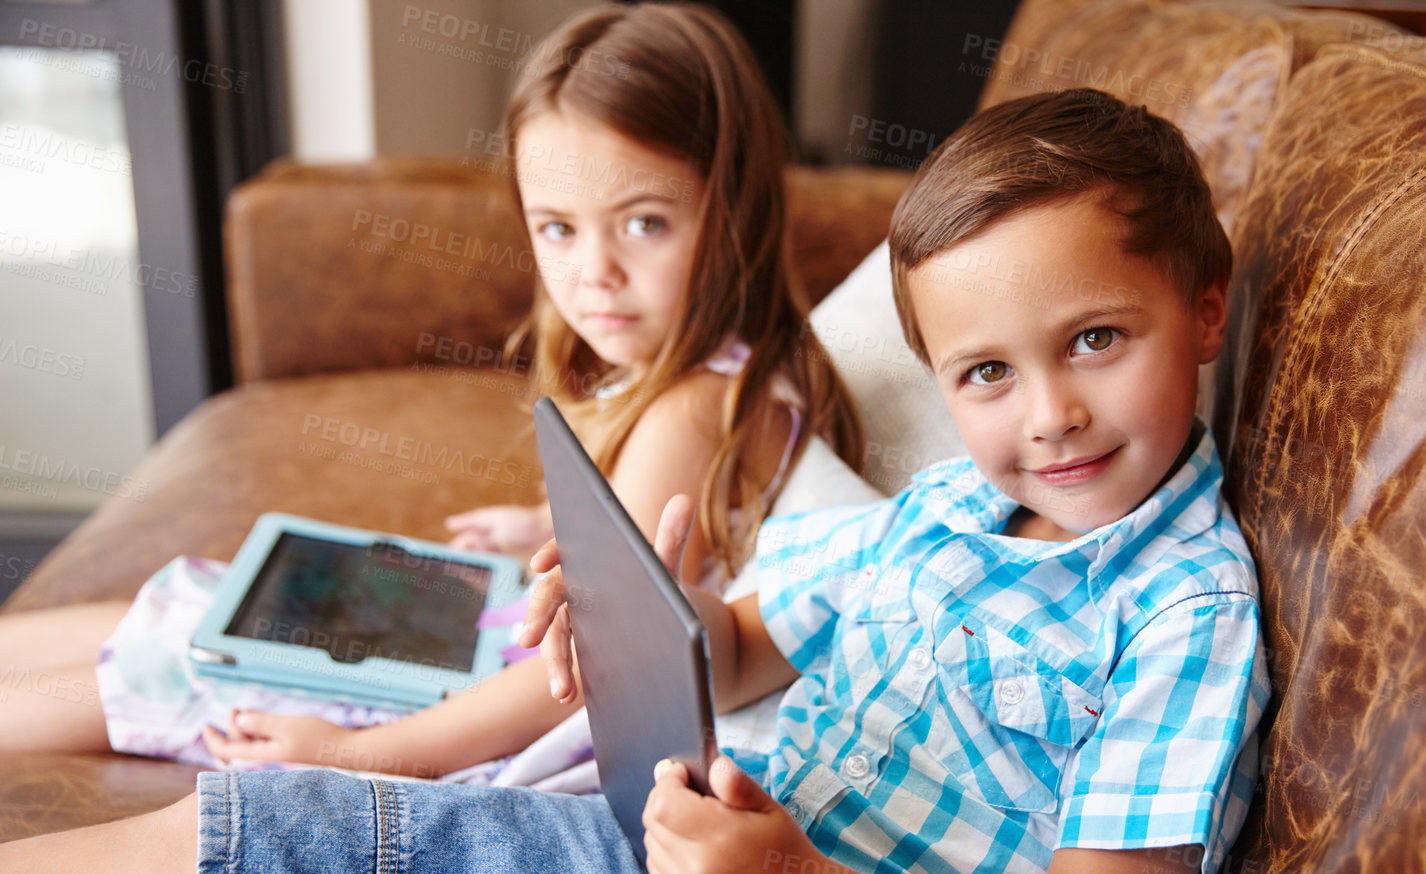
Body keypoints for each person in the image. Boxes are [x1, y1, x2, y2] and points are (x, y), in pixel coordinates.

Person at [0, 86, 1269, 874]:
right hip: (684, 863)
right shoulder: (947, 507)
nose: (1047, 412)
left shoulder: (1185, 615)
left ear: (1203, 309)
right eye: (988, 372)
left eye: (1095, 338)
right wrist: (655, 619)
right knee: (235, 830)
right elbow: (750, 639)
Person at [0, 1, 861, 779]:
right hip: (492, 658)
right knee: (205, 599)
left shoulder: (689, 410)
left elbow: (590, 667)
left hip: (487, 711)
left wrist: (352, 755)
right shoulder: (723, 374)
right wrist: (546, 530)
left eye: (645, 223)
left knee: (178, 659)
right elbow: (677, 537)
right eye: (557, 228)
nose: (593, 273)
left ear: (736, 207)